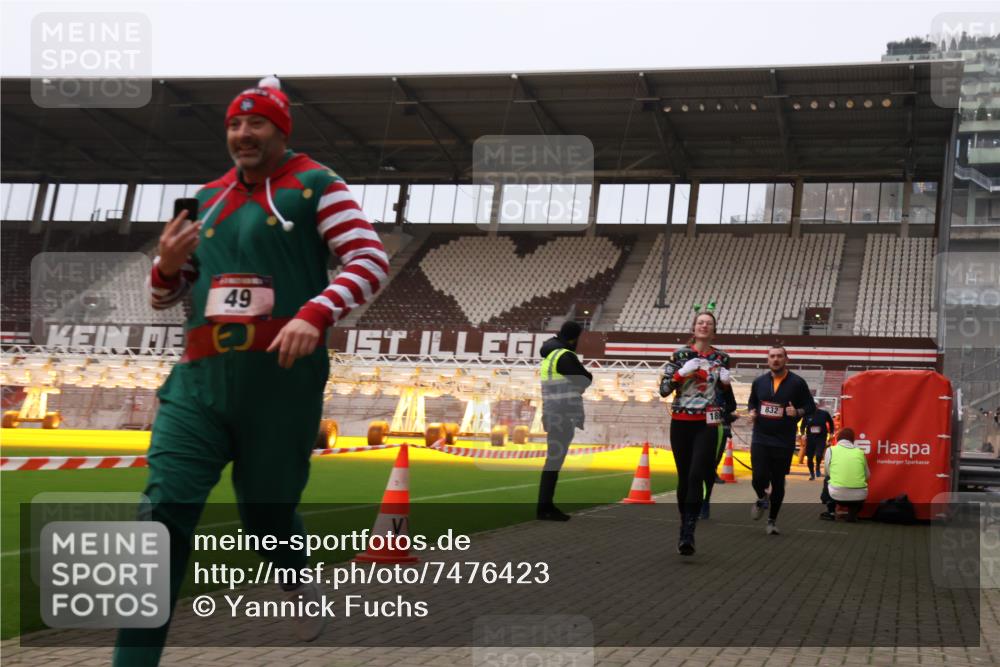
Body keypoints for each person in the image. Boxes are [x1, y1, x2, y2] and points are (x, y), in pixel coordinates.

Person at [114, 76, 388, 666]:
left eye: (256, 123)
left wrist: (315, 313)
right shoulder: (201, 199)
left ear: (281, 130)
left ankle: (295, 573)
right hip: (199, 383)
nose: (243, 133)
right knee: (160, 515)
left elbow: (369, 259)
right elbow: (165, 297)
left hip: (281, 382)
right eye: (235, 124)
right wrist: (165, 266)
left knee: (266, 516)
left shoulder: (318, 185)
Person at [660, 310, 732, 555]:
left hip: (707, 424)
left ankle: (689, 531)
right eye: (700, 322)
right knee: (683, 477)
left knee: (695, 476)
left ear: (714, 330)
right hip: (681, 422)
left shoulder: (722, 358)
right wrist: (680, 373)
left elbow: (727, 399)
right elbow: (664, 389)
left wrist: (726, 385)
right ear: (694, 327)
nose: (704, 326)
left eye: (709, 323)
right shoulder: (679, 355)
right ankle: (684, 525)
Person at [747, 345, 815, 535]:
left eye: (779, 356)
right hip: (760, 437)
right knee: (758, 477)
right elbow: (753, 402)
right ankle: (762, 497)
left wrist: (798, 411)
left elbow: (810, 406)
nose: (775, 359)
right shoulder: (759, 382)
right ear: (767, 359)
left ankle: (772, 521)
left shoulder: (797, 383)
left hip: (783, 441)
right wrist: (752, 412)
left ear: (786, 359)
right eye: (772, 356)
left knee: (778, 481)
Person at [537, 320, 593, 521]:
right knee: (554, 462)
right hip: (563, 414)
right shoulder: (564, 356)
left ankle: (545, 506)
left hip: (552, 412)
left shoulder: (550, 356)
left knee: (552, 461)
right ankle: (545, 507)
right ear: (574, 338)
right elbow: (585, 379)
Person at [700, 380, 738, 519]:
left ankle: (704, 504)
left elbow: (732, 405)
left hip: (717, 430)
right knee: (695, 470)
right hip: (695, 428)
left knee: (709, 470)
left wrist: (724, 414)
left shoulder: (723, 383)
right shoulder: (695, 379)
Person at [819, 428, 869, 522]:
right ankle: (852, 514)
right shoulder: (860, 452)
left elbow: (827, 471)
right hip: (859, 496)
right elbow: (867, 475)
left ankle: (831, 512)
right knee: (860, 484)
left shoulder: (831, 450)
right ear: (852, 440)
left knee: (827, 478)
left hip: (836, 495)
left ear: (838, 439)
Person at [800, 400, 835, 480]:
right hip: (810, 438)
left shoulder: (824, 413)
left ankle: (818, 466)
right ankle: (812, 473)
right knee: (809, 458)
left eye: (815, 404)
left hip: (821, 437)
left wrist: (831, 432)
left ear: (817, 405)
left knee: (819, 455)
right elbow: (802, 426)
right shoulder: (807, 415)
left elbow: (831, 422)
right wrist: (802, 434)